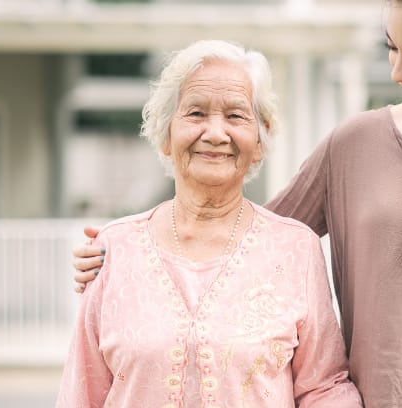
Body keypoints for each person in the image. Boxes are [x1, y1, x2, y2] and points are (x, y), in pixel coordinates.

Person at [74, 0, 402, 406]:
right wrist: (133, 255)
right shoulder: (355, 142)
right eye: (392, 48)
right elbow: (252, 245)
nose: (398, 70)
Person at [56, 40, 362, 407]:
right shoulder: (114, 250)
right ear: (166, 133)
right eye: (196, 114)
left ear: (259, 139)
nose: (216, 133)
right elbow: (82, 391)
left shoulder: (296, 249)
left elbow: (324, 386)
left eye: (235, 116)